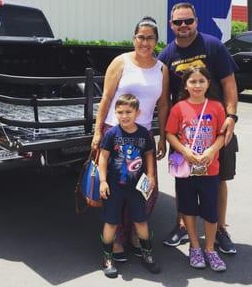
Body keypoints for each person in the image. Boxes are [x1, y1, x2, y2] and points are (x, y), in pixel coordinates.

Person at [158, 2, 238, 254]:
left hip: (216, 129)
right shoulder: (166, 55)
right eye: (178, 22)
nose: (183, 26)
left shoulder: (212, 45)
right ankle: (182, 225)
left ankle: (221, 229)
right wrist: (164, 135)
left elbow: (229, 83)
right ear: (171, 25)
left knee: (219, 179)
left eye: (188, 21)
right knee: (183, 179)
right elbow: (162, 98)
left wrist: (231, 116)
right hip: (184, 133)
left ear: (196, 21)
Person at [91, 16, 169, 259]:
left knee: (145, 190)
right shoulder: (121, 62)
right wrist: (97, 131)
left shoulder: (161, 69)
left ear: (157, 41)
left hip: (142, 138)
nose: (145, 42)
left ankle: (136, 233)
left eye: (150, 38)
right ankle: (115, 241)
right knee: (115, 190)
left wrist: (162, 137)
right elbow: (105, 98)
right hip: (115, 135)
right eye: (141, 37)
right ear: (134, 38)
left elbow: (164, 105)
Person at [166, 66, 227, 271]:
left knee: (211, 211)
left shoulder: (217, 107)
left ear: (208, 83)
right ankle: (194, 246)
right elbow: (170, 134)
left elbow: (221, 134)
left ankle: (210, 249)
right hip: (186, 170)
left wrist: (211, 151)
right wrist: (185, 151)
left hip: (210, 169)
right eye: (193, 81)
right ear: (186, 84)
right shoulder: (179, 108)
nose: (197, 85)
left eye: (201, 81)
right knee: (188, 209)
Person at [99, 94, 161, 278]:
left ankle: (147, 254)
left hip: (136, 187)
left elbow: (149, 154)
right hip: (114, 186)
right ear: (115, 113)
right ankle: (107, 258)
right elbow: (103, 157)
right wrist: (102, 181)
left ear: (137, 112)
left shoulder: (143, 133)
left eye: (128, 112)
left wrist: (151, 175)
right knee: (111, 222)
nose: (124, 116)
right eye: (120, 112)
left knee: (140, 220)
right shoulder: (111, 134)